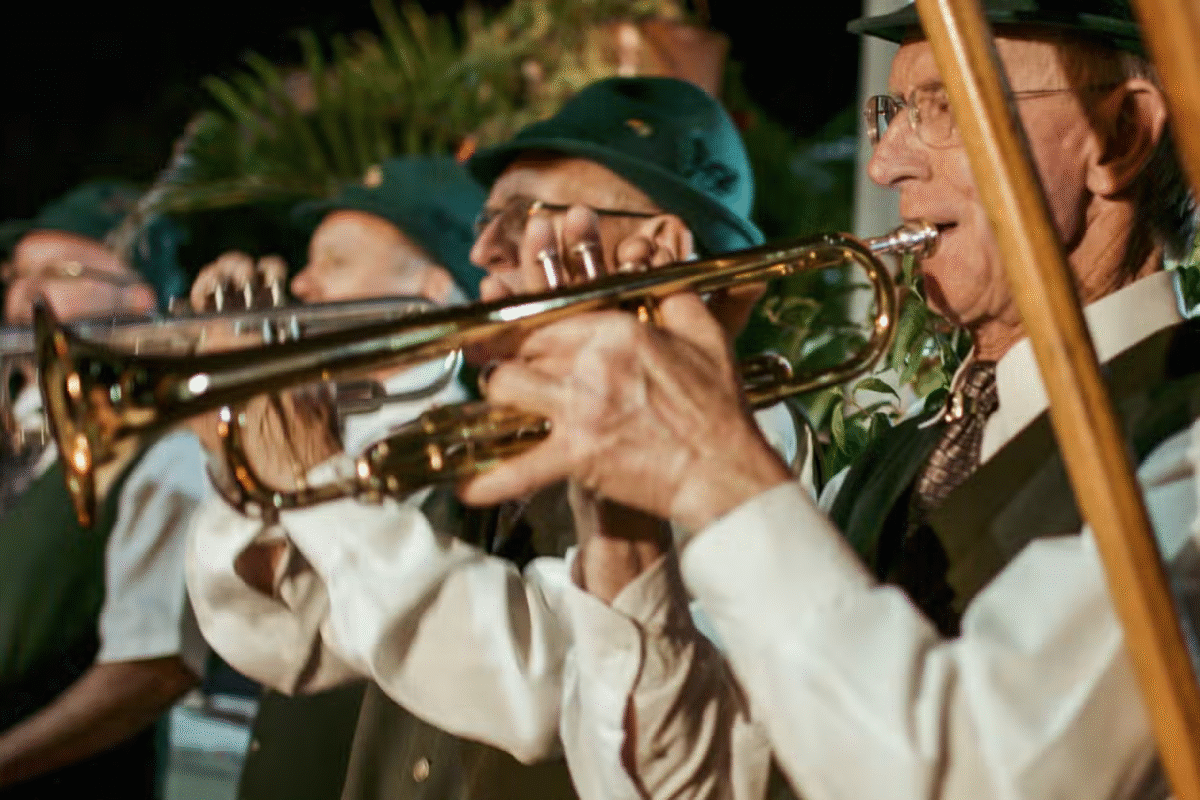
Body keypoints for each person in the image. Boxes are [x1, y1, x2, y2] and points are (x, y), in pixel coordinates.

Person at [457, 3, 1200, 799]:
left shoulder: (1185, 440)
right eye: (894, 110)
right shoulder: (889, 463)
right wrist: (622, 515)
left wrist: (719, 469)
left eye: (943, 106)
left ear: (1118, 136)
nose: (885, 163)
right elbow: (677, 779)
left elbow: (986, 773)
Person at [185, 78, 809, 799]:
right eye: (485, 224)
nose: (482, 251)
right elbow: (296, 641)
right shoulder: (477, 421)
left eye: (522, 220)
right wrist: (250, 465)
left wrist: (313, 486)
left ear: (658, 243)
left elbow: (550, 682)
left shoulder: (741, 435)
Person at [0, 182, 206, 799]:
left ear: (139, 297)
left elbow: (154, 670)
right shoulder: (18, 426)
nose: (26, 294)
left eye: (59, 271)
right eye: (17, 274)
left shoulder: (168, 447)